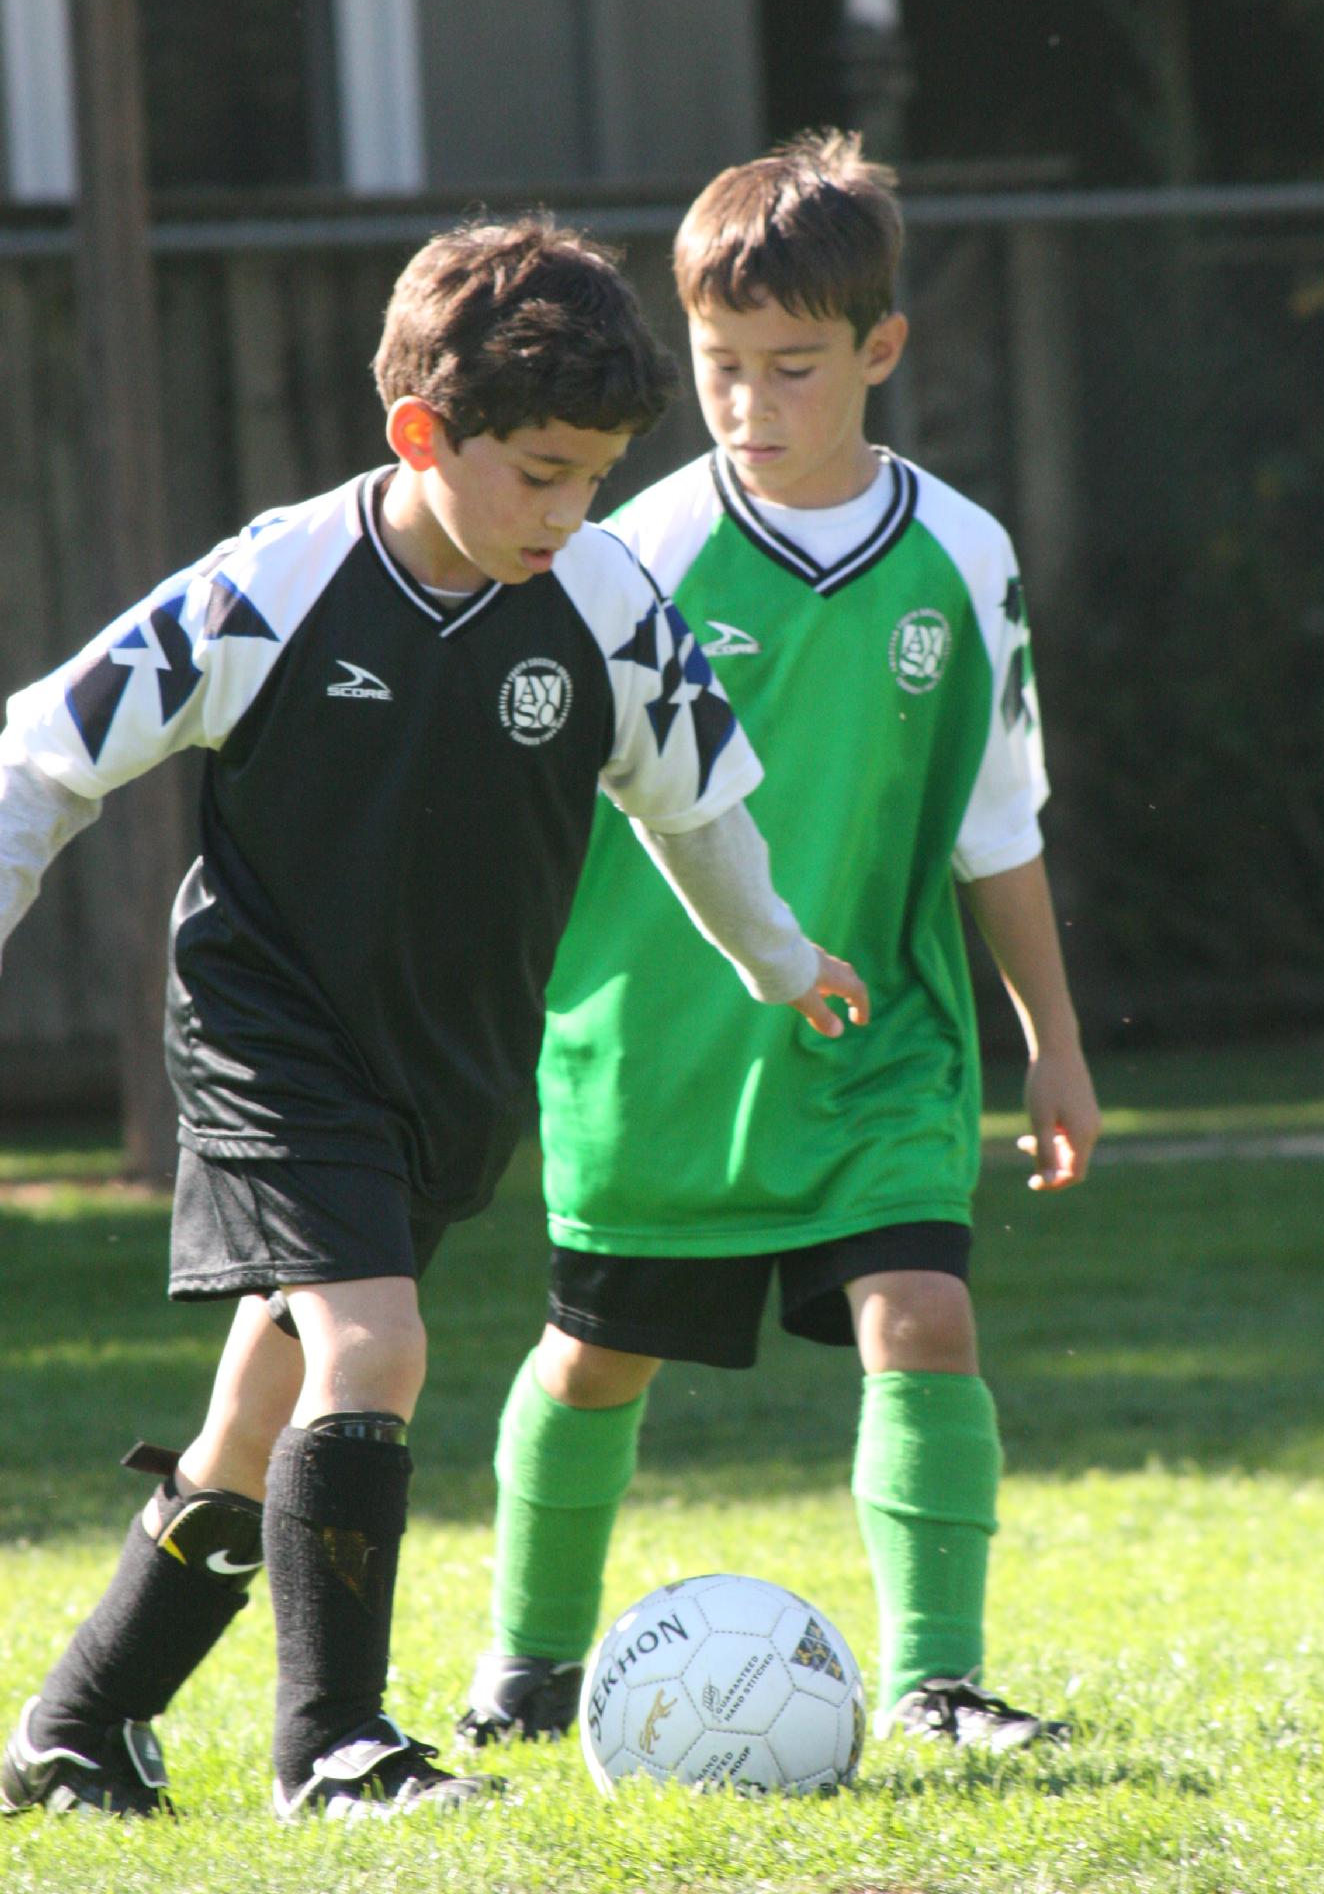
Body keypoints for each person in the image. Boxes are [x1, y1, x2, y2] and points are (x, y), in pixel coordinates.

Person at [0, 216, 867, 1823]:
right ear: (421, 433)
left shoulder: (602, 601)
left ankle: (78, 1728)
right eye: (538, 474)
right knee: (373, 1346)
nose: (568, 510)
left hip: (451, 1062)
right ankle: (334, 1748)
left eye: (593, 478)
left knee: (258, 1414)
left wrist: (776, 957)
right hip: (271, 1033)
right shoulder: (272, 584)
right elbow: (43, 756)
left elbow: (694, 806)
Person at [458, 135, 1102, 1757]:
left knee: (924, 1314)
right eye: (718, 363)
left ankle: (938, 1683)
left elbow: (997, 820)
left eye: (790, 365)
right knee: (596, 1360)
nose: (747, 401)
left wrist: (1054, 1042)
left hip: (877, 1039)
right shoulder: (632, 555)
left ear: (881, 349)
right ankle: (526, 1668)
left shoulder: (962, 556)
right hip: (658, 1050)